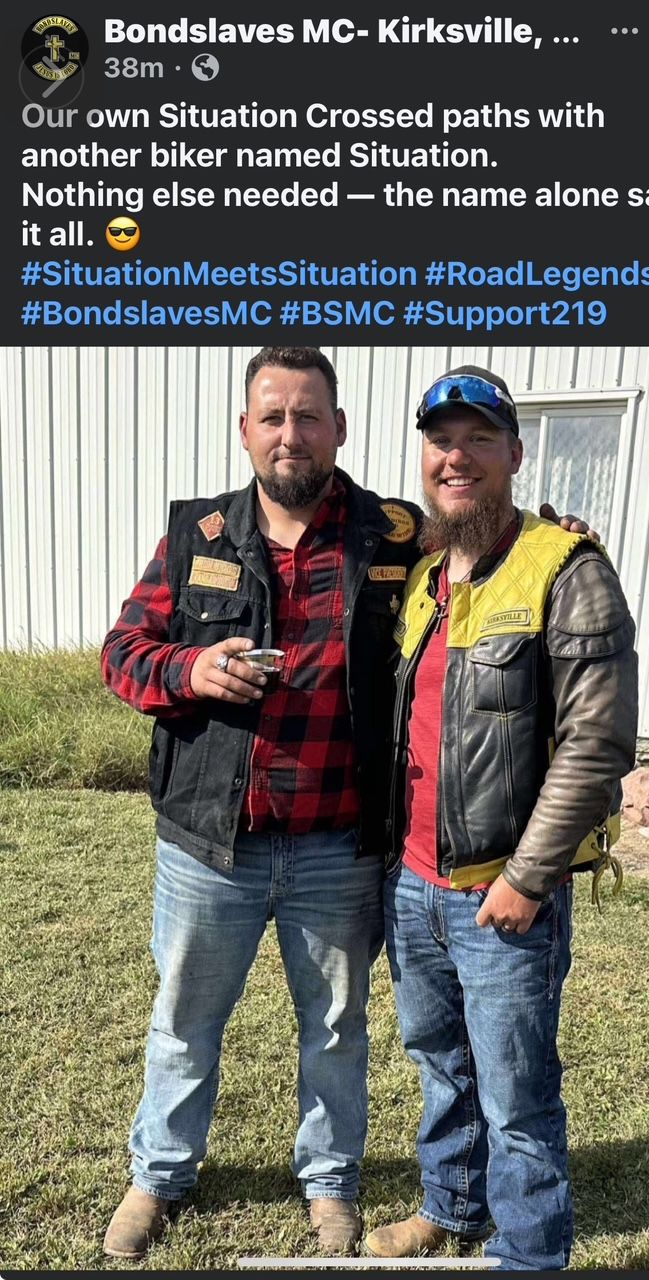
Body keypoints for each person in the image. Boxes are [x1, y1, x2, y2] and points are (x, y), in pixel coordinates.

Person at [100, 346, 424, 1258]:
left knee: (336, 1029)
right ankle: (159, 1175)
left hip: (339, 844)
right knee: (184, 1022)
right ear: (245, 430)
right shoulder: (197, 535)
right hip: (211, 845)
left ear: (339, 428)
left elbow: (485, 560)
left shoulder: (394, 536)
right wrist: (189, 669)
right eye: (273, 416)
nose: (291, 433)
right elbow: (122, 651)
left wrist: (552, 535)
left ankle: (330, 1183)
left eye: (308, 415)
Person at [365, 366, 638, 1269]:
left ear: (515, 454)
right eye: (443, 440)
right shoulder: (422, 575)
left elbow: (597, 744)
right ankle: (451, 1207)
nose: (458, 457)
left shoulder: (569, 568)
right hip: (413, 885)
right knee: (440, 1065)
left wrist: (527, 877)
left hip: (502, 897)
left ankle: (528, 1255)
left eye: (480, 439)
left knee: (517, 1096)